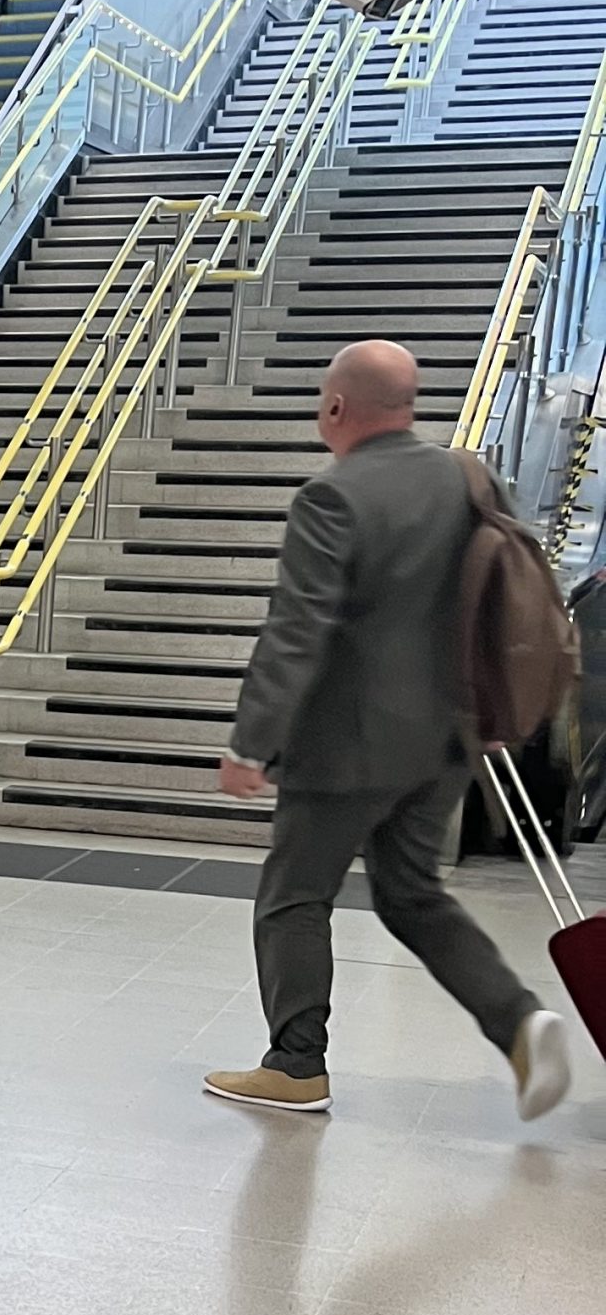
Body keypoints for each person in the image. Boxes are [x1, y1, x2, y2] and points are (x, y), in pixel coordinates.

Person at [205, 339, 572, 1120]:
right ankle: (520, 1024)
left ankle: (295, 1064)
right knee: (413, 896)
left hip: (345, 746)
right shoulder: (466, 476)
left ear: (335, 407)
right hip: (445, 742)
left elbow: (297, 631)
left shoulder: (332, 498)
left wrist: (251, 744)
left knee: (294, 896)